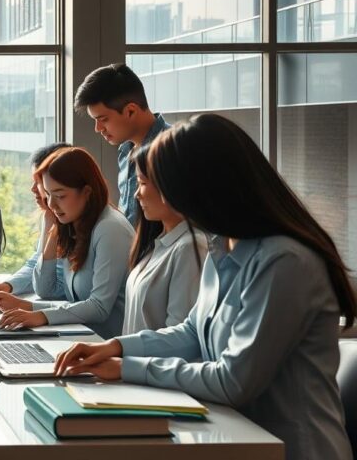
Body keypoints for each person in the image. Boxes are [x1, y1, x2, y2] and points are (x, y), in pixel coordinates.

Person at [54, 114, 356, 460]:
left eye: (165, 185)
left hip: (292, 450)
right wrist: (116, 347)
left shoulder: (284, 262)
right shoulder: (221, 247)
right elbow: (193, 333)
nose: (151, 195)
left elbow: (233, 381)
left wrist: (128, 368)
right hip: (236, 437)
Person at [0, 147, 133, 339]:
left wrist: (39, 315)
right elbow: (45, 289)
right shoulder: (74, 224)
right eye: (48, 195)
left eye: (60, 196)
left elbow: (98, 307)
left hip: (107, 345)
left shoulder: (111, 228)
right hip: (81, 337)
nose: (51, 205)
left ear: (87, 192)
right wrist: (26, 306)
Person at [122, 143, 206, 334]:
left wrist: (119, 349)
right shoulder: (158, 243)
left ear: (168, 185)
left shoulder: (189, 248)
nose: (136, 194)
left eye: (142, 183)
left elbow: (179, 334)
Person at [74, 63, 171, 225]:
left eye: (103, 119)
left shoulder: (174, 149)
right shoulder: (125, 151)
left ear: (130, 111)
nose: (98, 129)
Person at [0, 142, 70, 297]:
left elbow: (56, 286)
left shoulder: (82, 224)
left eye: (39, 182)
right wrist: (7, 286)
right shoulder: (49, 217)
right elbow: (35, 264)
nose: (33, 189)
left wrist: (27, 306)